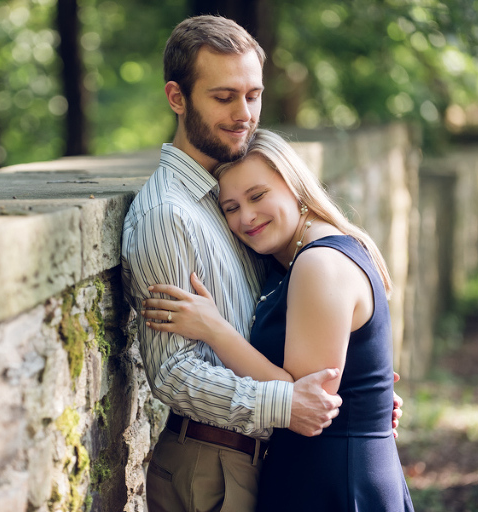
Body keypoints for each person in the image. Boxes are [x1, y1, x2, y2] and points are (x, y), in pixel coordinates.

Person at [121, 15, 349, 512]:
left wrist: (352, 399)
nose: (244, 113)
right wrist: (289, 404)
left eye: (253, 94)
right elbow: (173, 372)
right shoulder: (168, 214)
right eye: (223, 97)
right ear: (177, 98)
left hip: (266, 459)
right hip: (211, 470)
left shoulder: (231, 196)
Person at [141, 128, 414, 511]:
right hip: (313, 467)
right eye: (230, 207)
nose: (246, 217)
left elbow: (305, 399)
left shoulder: (317, 263)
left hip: (332, 477)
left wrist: (214, 329)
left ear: (294, 185)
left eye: (257, 195)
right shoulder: (285, 261)